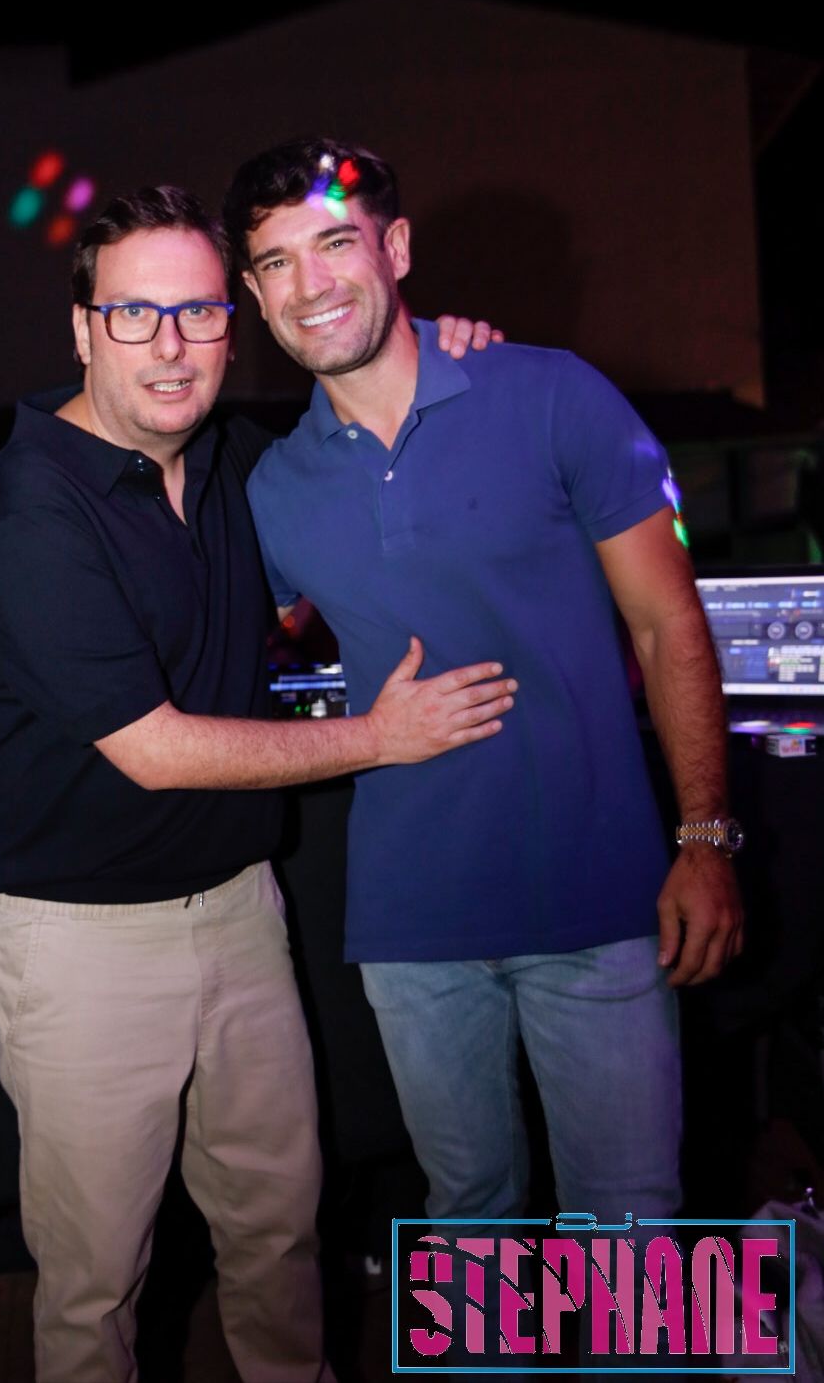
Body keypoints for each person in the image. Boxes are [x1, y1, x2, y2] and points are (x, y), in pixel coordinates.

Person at [0, 185, 510, 1383]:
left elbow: (353, 479)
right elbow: (154, 747)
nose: (170, 347)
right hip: (80, 942)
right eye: (135, 314)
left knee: (278, 1239)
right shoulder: (31, 509)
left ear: (235, 321)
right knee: (98, 1281)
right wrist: (383, 735)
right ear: (81, 328)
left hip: (238, 911)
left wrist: (451, 354)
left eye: (199, 313)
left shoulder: (231, 458)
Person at [225, 137, 745, 1229]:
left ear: (397, 247)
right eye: (276, 263)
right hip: (413, 926)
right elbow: (227, 640)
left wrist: (705, 838)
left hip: (598, 906)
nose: (309, 285)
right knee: (468, 1217)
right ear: (254, 294)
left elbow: (667, 624)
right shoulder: (274, 488)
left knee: (632, 1223)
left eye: (334, 244)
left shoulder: (550, 394)